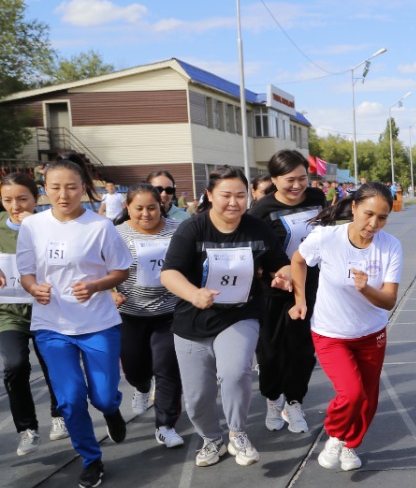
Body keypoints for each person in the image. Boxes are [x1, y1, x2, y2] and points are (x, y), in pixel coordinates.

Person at [160, 167, 292, 469]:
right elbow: (169, 273)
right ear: (209, 195)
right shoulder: (192, 229)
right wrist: (194, 293)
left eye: (241, 195)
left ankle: (238, 433)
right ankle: (211, 439)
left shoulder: (257, 229)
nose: (234, 202)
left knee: (235, 372)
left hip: (240, 314)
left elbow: (280, 263)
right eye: (226, 195)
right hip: (192, 320)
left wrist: (282, 276)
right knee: (197, 396)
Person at [16, 154, 132, 488]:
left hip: (98, 323)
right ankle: (91, 458)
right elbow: (26, 272)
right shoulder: (32, 226)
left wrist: (96, 285)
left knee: (103, 397)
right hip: (51, 325)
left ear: (84, 188)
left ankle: (111, 409)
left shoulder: (100, 226)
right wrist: (33, 288)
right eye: (55, 187)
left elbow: (121, 270)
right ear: (44, 189)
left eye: (71, 187)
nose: (63, 194)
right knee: (69, 398)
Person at [291, 183, 402, 473]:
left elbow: (389, 300)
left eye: (382, 217)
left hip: (371, 334)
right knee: (351, 393)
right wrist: (300, 299)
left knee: (368, 398)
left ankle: (350, 444)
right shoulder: (326, 237)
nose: (373, 224)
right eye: (368, 214)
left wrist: (366, 288)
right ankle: (336, 434)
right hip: (331, 334)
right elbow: (298, 260)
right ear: (353, 207)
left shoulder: (390, 246)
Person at [248, 150, 328, 433]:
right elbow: (253, 254)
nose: (297, 185)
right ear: (274, 179)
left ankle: (294, 402)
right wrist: (272, 272)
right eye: (289, 180)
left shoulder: (317, 199)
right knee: (270, 353)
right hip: (273, 291)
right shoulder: (260, 211)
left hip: (309, 286)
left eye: (302, 178)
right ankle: (273, 398)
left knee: (301, 349)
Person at [112, 185, 185, 448]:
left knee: (167, 367)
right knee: (135, 369)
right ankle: (142, 387)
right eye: (139, 208)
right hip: (130, 313)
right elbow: (100, 267)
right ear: (127, 208)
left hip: (170, 311)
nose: (146, 214)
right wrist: (111, 292)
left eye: (152, 208)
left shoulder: (178, 230)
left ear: (161, 206)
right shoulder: (116, 233)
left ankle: (165, 425)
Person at [0, 173, 64, 456]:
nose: (15, 206)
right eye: (7, 200)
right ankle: (27, 428)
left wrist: (36, 230)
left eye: (22, 199)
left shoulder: (50, 226)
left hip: (46, 308)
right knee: (14, 365)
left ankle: (59, 414)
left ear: (36, 199)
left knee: (53, 364)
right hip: (8, 313)